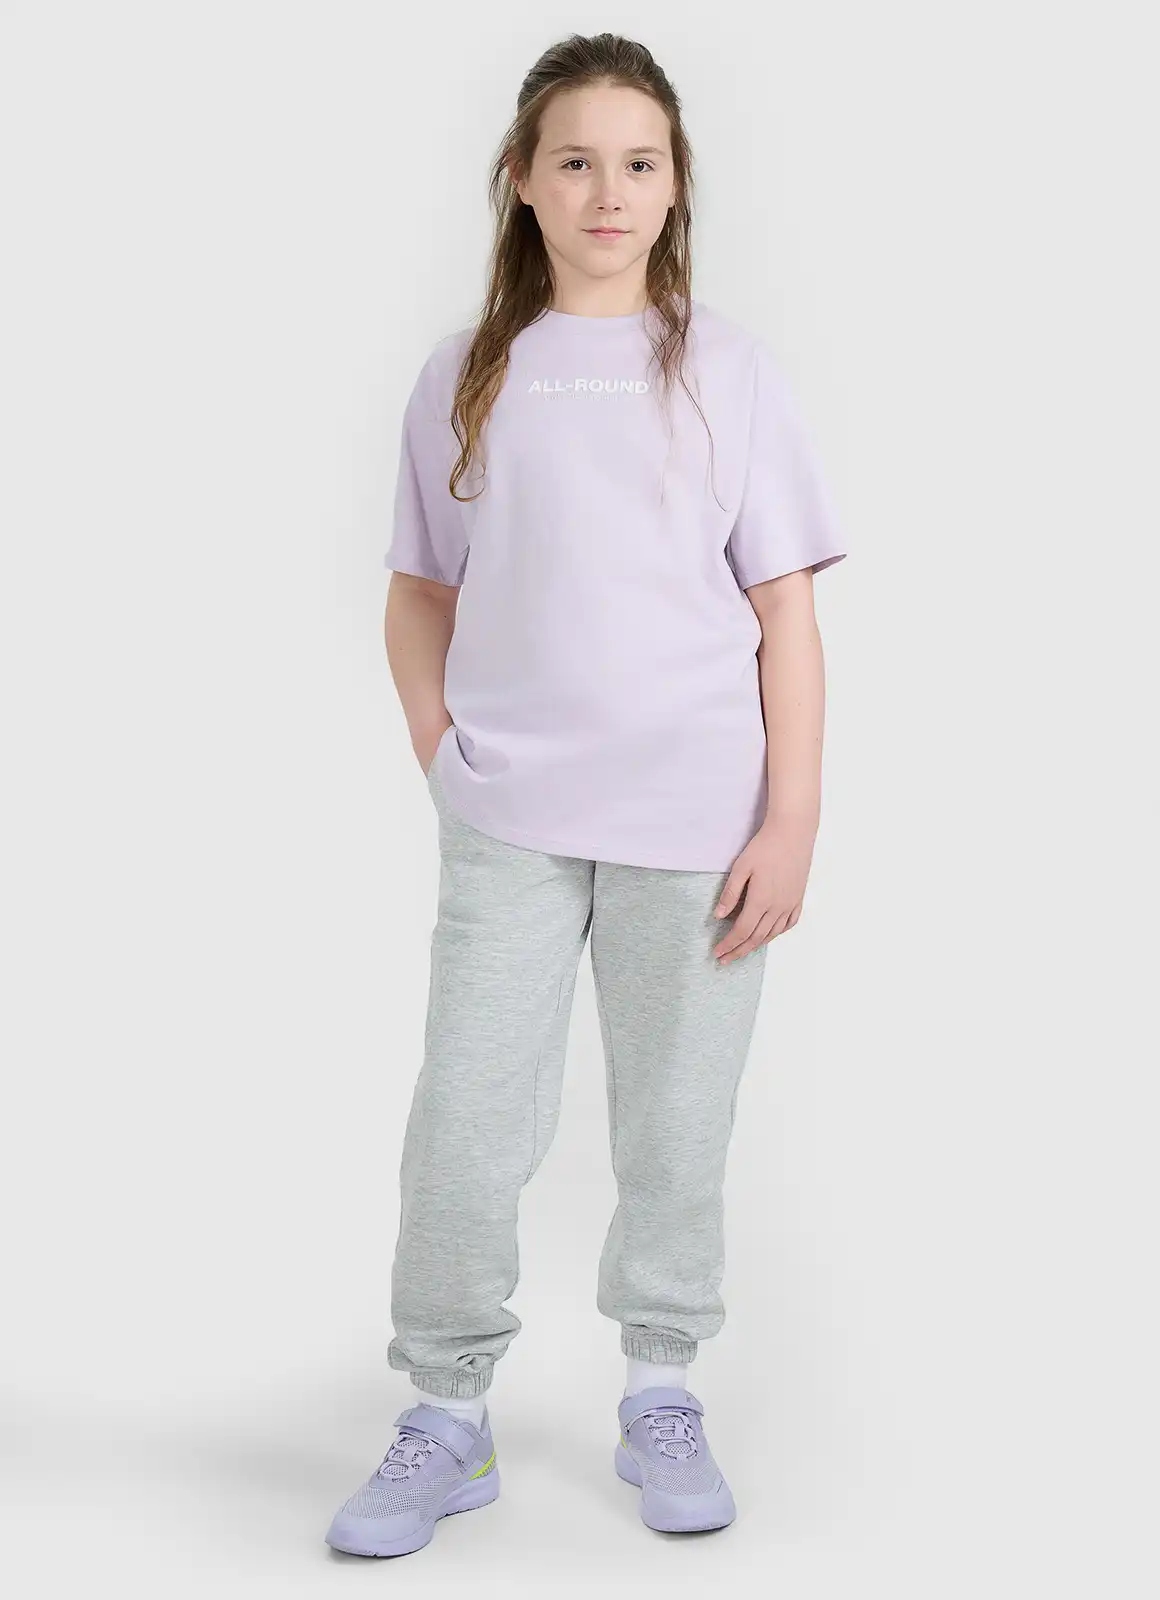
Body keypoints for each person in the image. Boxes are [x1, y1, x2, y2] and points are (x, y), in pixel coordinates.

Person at [325, 29, 847, 1559]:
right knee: (468, 1112)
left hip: (700, 820)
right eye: (575, 161)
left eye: (638, 162)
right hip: (511, 816)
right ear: (521, 180)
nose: (608, 191)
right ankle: (446, 1412)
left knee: (677, 1119)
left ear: (675, 187)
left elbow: (787, 610)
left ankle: (661, 1384)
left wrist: (792, 819)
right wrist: (445, 753)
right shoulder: (468, 377)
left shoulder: (728, 372)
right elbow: (420, 589)